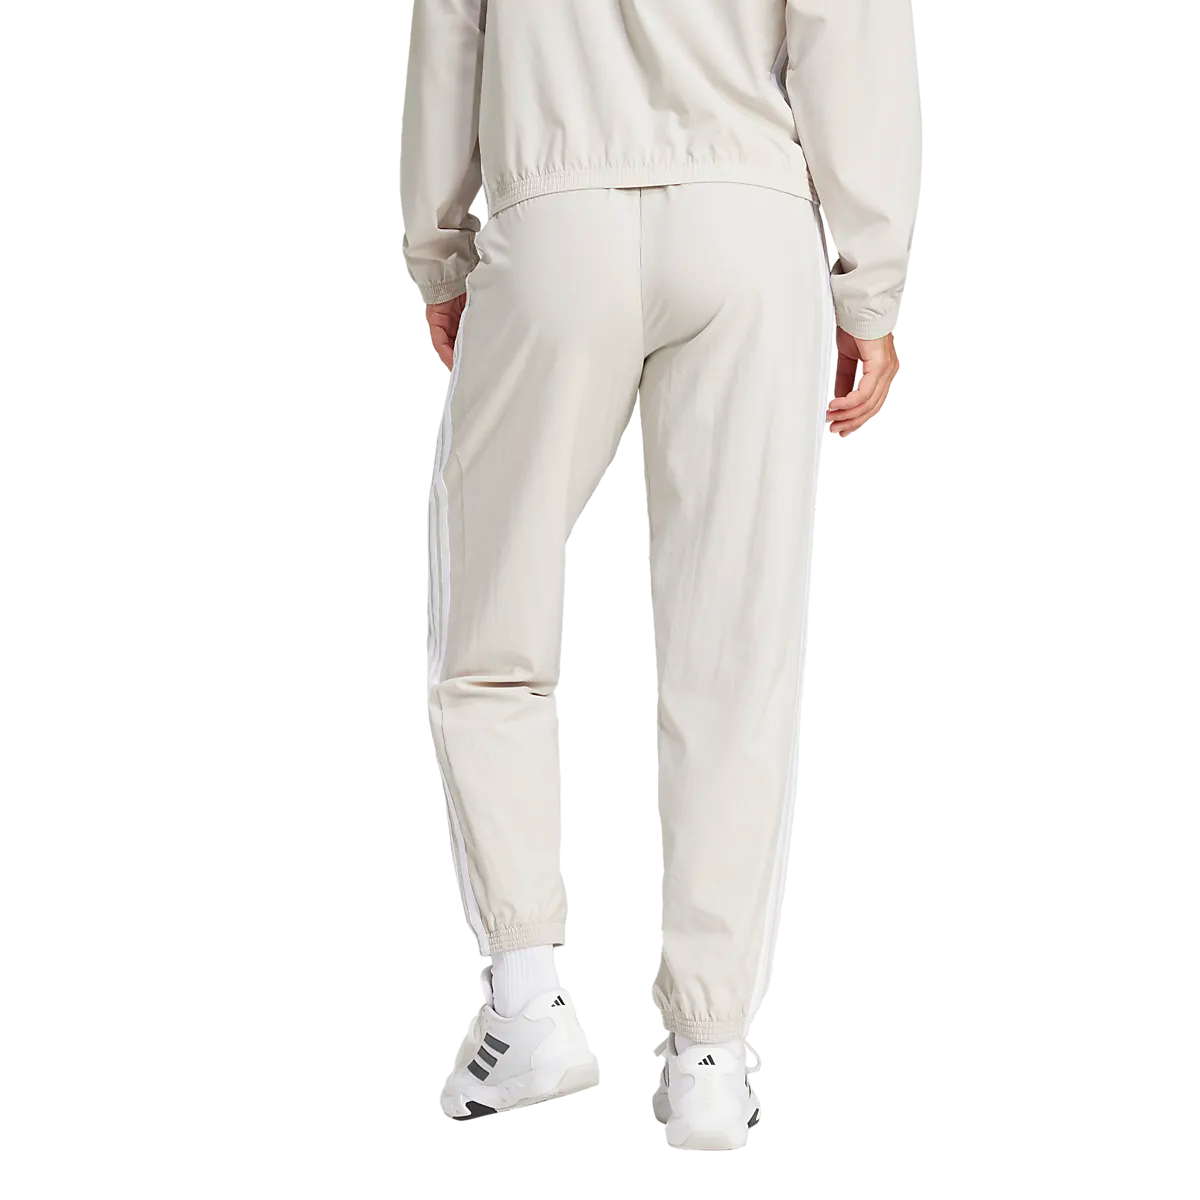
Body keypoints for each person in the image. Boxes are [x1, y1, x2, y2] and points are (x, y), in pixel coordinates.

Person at [405, 0, 918, 1149]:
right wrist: (868, 283)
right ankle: (709, 1058)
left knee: (492, 633)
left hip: (551, 213)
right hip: (749, 219)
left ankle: (526, 1002)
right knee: (733, 659)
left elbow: (449, 34)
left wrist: (438, 253)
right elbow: (853, 31)